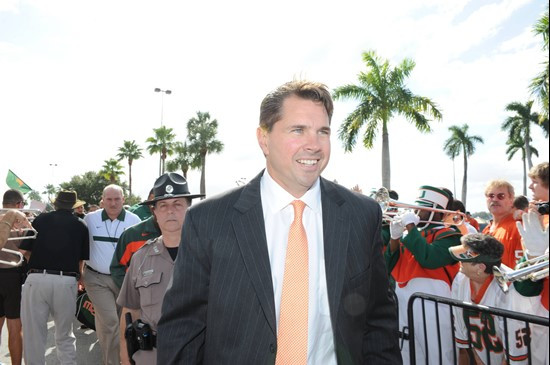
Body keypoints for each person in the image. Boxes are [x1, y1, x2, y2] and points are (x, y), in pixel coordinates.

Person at [157, 80, 401, 364]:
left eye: (323, 132)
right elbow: (182, 330)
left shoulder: (361, 216)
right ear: (264, 139)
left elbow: (378, 320)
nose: (314, 144)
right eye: (298, 130)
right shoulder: (209, 220)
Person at [117, 173, 200, 365]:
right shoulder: (140, 258)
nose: (170, 211)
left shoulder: (209, 254)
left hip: (197, 355)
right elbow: (130, 309)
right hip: (150, 356)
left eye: (177, 204)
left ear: (189, 208)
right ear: (154, 211)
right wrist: (124, 355)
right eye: (163, 205)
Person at [385, 185, 462, 364]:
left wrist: (411, 227)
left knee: (437, 355)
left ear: (436, 212)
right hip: (405, 299)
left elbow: (429, 258)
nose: (416, 211)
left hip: (433, 304)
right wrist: (395, 237)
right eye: (416, 206)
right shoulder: (411, 234)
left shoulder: (450, 235)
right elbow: (388, 265)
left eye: (423, 208)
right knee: (408, 354)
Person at [19, 190, 89, 364]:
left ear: (56, 203)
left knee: (34, 334)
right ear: (73, 206)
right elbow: (81, 260)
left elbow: (24, 251)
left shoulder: (40, 219)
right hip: (66, 281)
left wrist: (35, 264)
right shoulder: (81, 225)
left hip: (37, 278)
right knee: (65, 334)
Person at [83, 184, 140, 365]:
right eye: (109, 199)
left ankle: (116, 356)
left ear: (124, 199)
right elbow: (78, 246)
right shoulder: (89, 219)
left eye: (117, 199)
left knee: (113, 324)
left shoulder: (134, 220)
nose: (113, 203)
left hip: (124, 280)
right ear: (102, 200)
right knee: (110, 322)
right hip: (96, 279)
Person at [449, 233, 506, 365]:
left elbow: (515, 345)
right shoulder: (460, 279)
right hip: (480, 355)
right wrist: (476, 357)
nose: (460, 262)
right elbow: (462, 334)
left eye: (465, 259)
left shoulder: (506, 288)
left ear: (481, 267)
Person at [0, 189, 26, 365]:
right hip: (13, 275)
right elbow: (28, 251)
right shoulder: (23, 222)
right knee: (15, 327)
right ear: (18, 204)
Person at [482, 179, 523, 269]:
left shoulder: (518, 227)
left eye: (501, 196)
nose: (495, 199)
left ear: (511, 200)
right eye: (491, 195)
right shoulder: (487, 229)